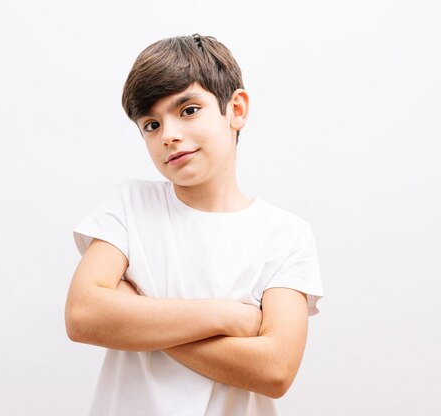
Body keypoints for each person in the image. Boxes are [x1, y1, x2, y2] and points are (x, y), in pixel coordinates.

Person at [65, 33, 324, 415]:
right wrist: (229, 317)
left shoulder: (286, 236)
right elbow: (83, 315)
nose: (168, 135)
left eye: (187, 110)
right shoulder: (129, 205)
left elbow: (274, 370)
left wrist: (134, 314)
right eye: (151, 125)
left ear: (235, 110)